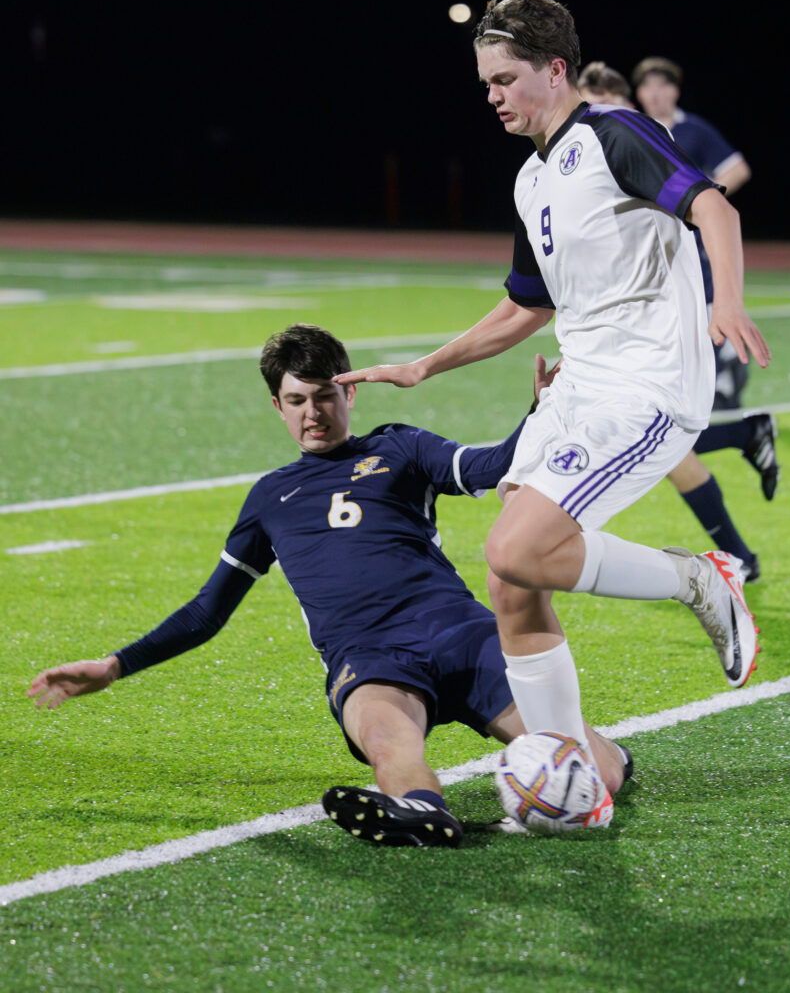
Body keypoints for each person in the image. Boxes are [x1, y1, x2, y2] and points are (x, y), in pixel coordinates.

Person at [334, 0, 770, 830]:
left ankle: (699, 577)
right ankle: (579, 785)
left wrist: (728, 303)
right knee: (509, 585)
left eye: (504, 78)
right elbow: (526, 306)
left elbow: (713, 204)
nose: (491, 94)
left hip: (644, 389)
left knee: (519, 545)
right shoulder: (531, 175)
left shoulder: (612, 133)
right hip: (576, 387)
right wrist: (427, 365)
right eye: (484, 81)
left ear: (556, 70)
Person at [27, 324, 631, 849]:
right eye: (297, 401)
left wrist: (542, 413)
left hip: (461, 635)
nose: (312, 413)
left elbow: (488, 467)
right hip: (369, 660)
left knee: (590, 777)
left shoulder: (399, 446)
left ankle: (613, 759)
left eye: (324, 396)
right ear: (277, 406)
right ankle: (423, 812)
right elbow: (208, 611)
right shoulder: (269, 498)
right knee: (388, 742)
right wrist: (114, 666)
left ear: (350, 390)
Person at [578, 61, 774, 581]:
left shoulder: (650, 137)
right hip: (630, 318)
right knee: (660, 442)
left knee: (653, 435)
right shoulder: (582, 156)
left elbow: (722, 197)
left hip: (673, 306)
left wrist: (725, 298)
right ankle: (741, 550)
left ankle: (743, 449)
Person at [633, 55, 779, 525]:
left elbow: (736, 169)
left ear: (675, 91)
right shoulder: (631, 130)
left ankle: (737, 409)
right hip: (650, 279)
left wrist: (697, 200)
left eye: (662, 86)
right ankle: (744, 431)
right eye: (646, 87)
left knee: (653, 427)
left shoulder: (691, 131)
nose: (654, 94)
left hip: (694, 271)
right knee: (649, 425)